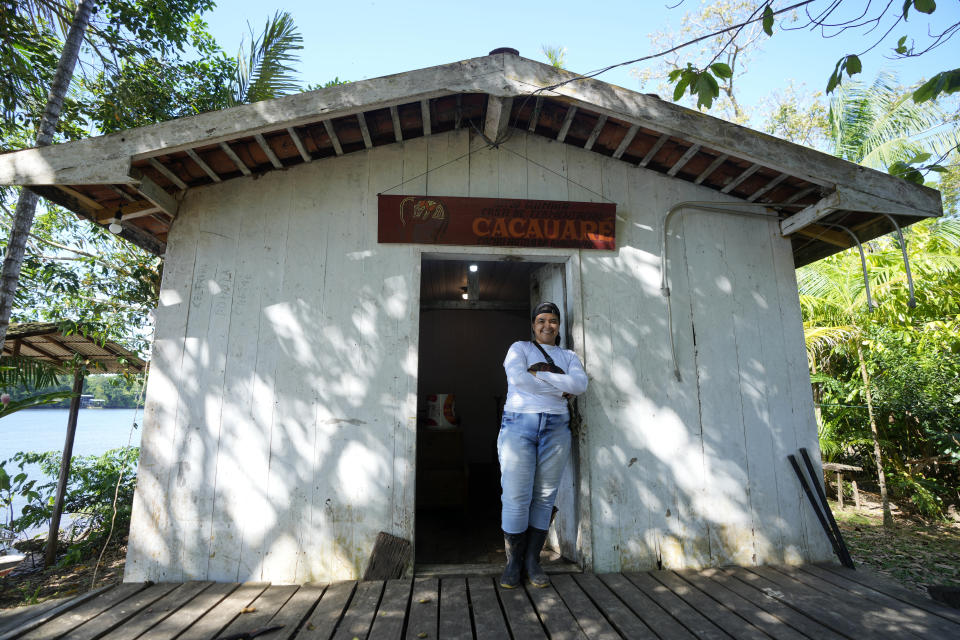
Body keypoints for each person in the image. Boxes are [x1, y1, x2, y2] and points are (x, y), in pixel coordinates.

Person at [498, 301, 588, 588]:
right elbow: (517, 378)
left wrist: (540, 375)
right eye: (541, 320)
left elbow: (580, 385)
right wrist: (561, 385)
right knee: (515, 495)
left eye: (553, 320)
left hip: (556, 428)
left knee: (545, 495)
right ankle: (513, 562)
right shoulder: (519, 349)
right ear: (533, 324)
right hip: (518, 425)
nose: (547, 325)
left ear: (559, 325)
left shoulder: (569, 355)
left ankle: (532, 560)